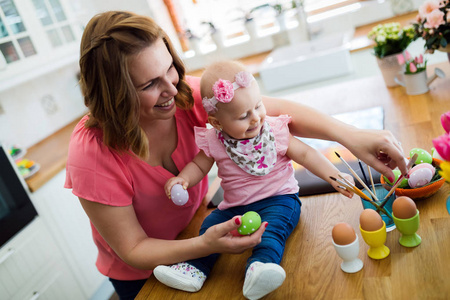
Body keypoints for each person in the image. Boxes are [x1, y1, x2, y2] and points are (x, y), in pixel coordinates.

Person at [64, 10, 407, 300]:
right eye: (149, 84)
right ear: (116, 94)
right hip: (141, 273)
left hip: (199, 232)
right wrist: (204, 245)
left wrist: (351, 136)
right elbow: (134, 249)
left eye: (170, 67)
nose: (172, 88)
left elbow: (275, 116)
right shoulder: (91, 153)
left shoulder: (183, 94)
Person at [153, 60, 354, 299]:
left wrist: (334, 176)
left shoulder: (275, 131)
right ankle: (193, 269)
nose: (256, 118)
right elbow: (199, 165)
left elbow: (306, 154)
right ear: (217, 123)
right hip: (234, 208)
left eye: (258, 106)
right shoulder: (215, 140)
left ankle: (260, 268)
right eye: (243, 116)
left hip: (279, 200)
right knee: (209, 227)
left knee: (270, 232)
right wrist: (183, 179)